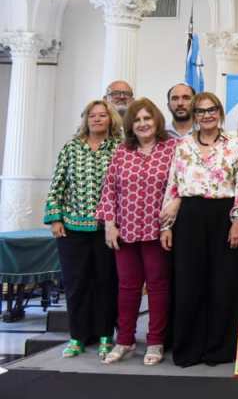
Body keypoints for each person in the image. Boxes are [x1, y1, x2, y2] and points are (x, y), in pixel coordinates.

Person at [160, 92, 238, 367]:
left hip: (224, 216)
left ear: (220, 113)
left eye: (211, 110)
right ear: (195, 115)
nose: (207, 115)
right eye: (201, 111)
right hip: (189, 216)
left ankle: (219, 349)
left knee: (223, 285)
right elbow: (173, 185)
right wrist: (167, 226)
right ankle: (189, 349)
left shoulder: (235, 143)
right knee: (189, 284)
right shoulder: (183, 145)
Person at [96, 98, 176, 365]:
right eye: (137, 120)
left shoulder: (172, 148)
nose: (143, 124)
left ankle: (155, 341)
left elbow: (179, 186)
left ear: (156, 120)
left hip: (158, 230)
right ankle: (124, 340)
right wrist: (109, 224)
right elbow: (109, 189)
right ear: (130, 125)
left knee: (158, 287)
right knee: (127, 288)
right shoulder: (122, 151)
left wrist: (172, 215)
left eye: (147, 118)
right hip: (125, 231)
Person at [44, 100, 122, 359]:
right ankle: (77, 336)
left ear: (110, 119)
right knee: (76, 284)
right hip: (71, 229)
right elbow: (57, 184)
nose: (97, 119)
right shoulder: (71, 147)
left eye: (102, 115)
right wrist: (55, 219)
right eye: (92, 115)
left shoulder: (119, 148)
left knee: (106, 283)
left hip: (106, 229)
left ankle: (105, 335)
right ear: (86, 120)